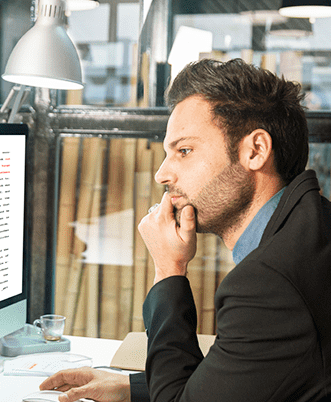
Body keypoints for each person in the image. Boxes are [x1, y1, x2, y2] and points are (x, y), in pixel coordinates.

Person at [40, 58, 331, 402]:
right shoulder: (313, 225)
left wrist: (169, 270)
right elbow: (252, 376)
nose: (162, 174)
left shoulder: (269, 284)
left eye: (185, 151)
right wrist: (131, 387)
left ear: (255, 150)